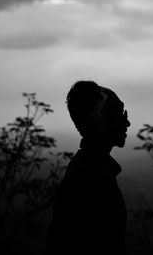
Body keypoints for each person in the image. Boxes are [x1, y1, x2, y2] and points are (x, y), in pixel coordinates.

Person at [47, 80, 131, 255]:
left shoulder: (87, 168)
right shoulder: (92, 176)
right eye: (118, 114)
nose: (127, 122)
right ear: (99, 120)